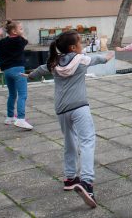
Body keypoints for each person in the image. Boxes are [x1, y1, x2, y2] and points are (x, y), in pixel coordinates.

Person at [26, 31, 115, 208]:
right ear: (73, 47)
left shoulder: (54, 62)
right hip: (79, 107)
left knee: (69, 141)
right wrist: (110, 55)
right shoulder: (81, 60)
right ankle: (87, 183)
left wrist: (29, 76)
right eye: (80, 42)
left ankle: (69, 178)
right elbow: (100, 59)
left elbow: (40, 70)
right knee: (87, 141)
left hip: (61, 109)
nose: (82, 45)